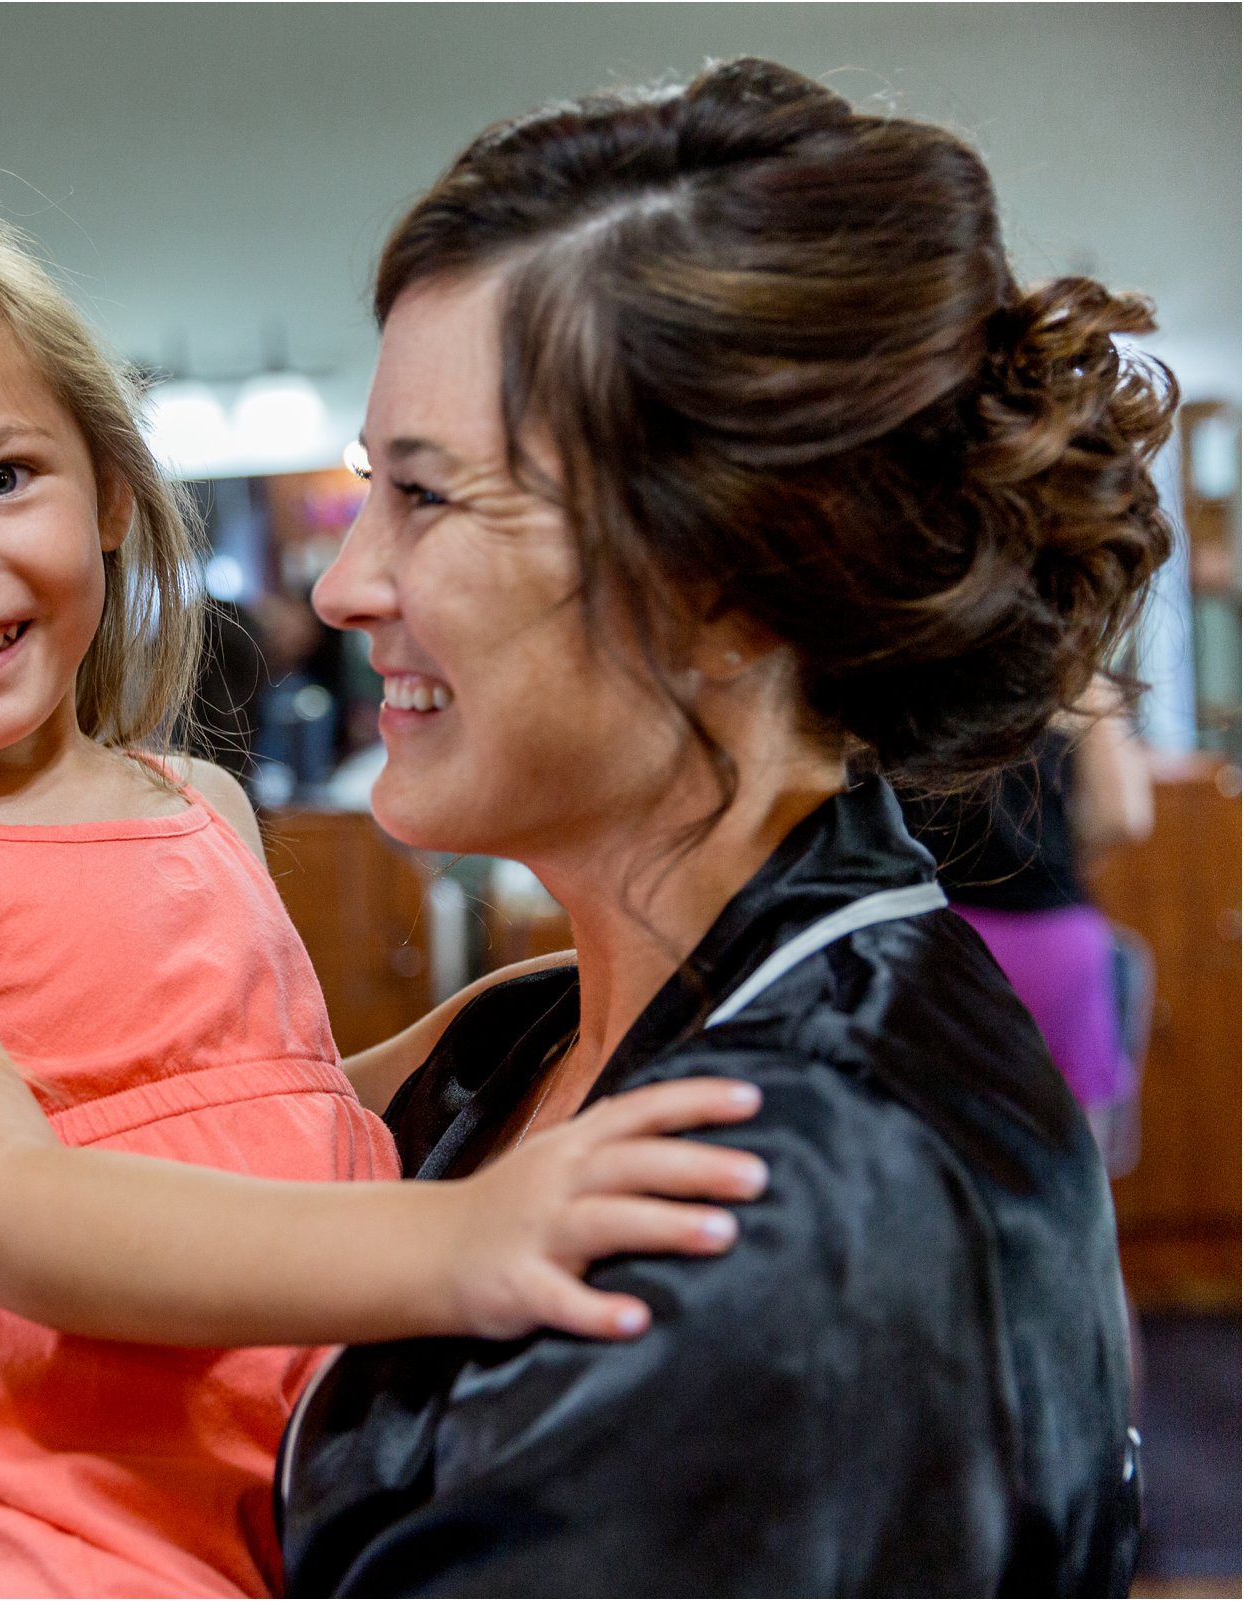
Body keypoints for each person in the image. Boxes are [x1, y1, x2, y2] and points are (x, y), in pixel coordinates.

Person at [0, 216, 771, 1597]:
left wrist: (505, 1027)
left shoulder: (195, 802)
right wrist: (457, 1244)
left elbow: (258, 1108)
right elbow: (22, 1207)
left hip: (259, 1517)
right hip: (25, 1547)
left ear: (109, 494)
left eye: (2, 478)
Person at [279, 59, 1171, 1596]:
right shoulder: (539, 1031)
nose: (343, 587)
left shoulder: (781, 1210)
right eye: (370, 493)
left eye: (424, 501)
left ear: (722, 581)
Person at [902, 676, 1157, 1156]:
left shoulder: (911, 642)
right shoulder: (1067, 667)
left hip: (935, 939)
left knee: (944, 1159)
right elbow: (1126, 815)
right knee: (1076, 1160)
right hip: (1053, 940)